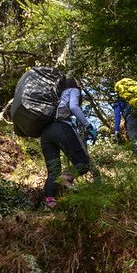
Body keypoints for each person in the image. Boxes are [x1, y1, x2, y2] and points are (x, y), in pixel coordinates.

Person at [40, 76, 98, 209]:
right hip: (61, 128)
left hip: (45, 133)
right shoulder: (72, 90)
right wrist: (88, 125)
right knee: (83, 163)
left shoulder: (55, 97)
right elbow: (74, 107)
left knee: (53, 172)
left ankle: (49, 203)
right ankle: (65, 179)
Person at [113, 92, 137, 165]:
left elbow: (117, 116)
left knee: (134, 139)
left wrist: (116, 130)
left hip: (131, 118)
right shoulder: (133, 96)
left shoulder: (118, 102)